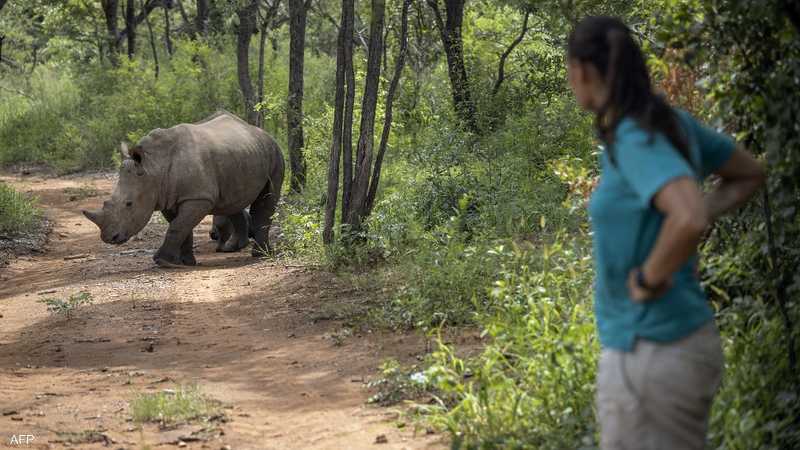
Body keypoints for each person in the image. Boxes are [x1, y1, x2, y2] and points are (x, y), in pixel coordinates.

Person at [565, 16, 765, 450]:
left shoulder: (635, 135)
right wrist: (699, 211)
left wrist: (648, 277)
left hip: (651, 348)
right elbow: (748, 173)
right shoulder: (669, 124)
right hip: (677, 342)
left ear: (581, 69)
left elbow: (688, 216)